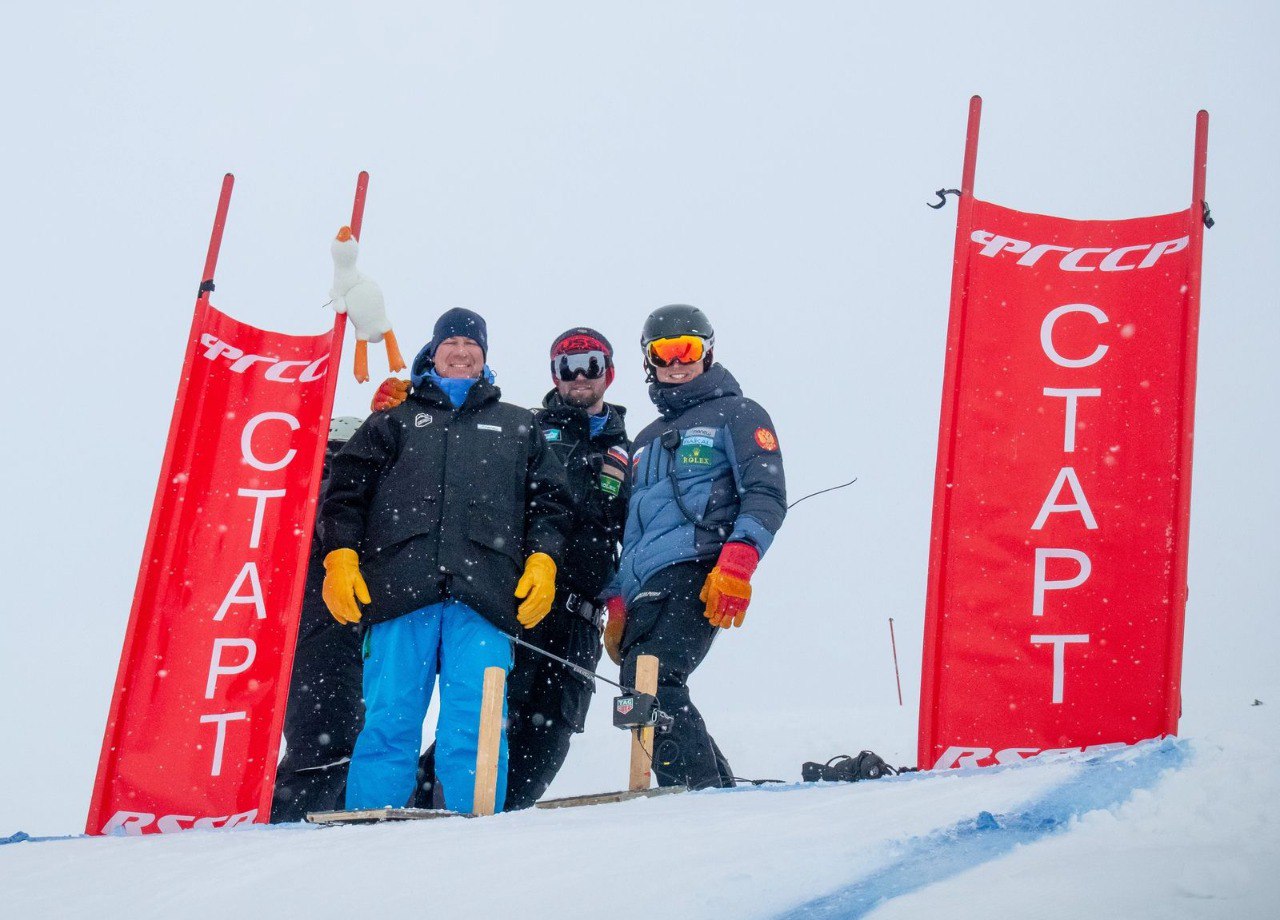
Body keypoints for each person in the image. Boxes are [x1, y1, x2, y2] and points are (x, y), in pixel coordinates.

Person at [319, 308, 572, 814]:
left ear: (484, 356)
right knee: (388, 722)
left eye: (470, 344)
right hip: (398, 594)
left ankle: (475, 831)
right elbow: (345, 493)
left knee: (476, 726)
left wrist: (543, 561)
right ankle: (364, 834)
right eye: (450, 342)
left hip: (485, 599)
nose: (460, 351)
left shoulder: (518, 425)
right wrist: (341, 555)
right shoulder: (392, 420)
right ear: (432, 353)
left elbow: (552, 506)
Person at [378, 328, 632, 810]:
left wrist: (619, 603)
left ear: (610, 373)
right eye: (567, 366)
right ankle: (414, 813)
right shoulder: (522, 428)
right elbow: (452, 438)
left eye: (592, 365)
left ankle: (494, 837)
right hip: (519, 605)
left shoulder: (627, 452)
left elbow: (630, 536)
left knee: (544, 746)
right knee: (482, 724)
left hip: (579, 623)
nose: (579, 376)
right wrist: (409, 400)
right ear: (554, 374)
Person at [604, 304, 786, 790]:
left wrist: (738, 562)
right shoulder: (644, 439)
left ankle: (693, 796)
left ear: (707, 352)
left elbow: (766, 492)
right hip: (643, 583)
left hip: (698, 566)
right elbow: (629, 529)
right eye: (663, 352)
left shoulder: (738, 414)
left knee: (653, 679)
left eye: (687, 349)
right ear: (649, 360)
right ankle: (714, 791)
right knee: (638, 687)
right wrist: (616, 600)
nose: (676, 362)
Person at [271, 416, 366, 822]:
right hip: (327, 636)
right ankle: (292, 821)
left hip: (325, 635)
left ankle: (300, 817)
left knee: (332, 741)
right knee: (329, 741)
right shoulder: (327, 491)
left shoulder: (305, 493)